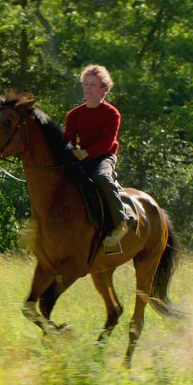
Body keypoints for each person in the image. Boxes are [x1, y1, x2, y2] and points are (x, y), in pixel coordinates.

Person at [64, 64, 130, 250]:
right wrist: (68, 153)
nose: (88, 89)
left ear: (104, 89)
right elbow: (67, 141)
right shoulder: (74, 115)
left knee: (101, 178)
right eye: (85, 84)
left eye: (93, 85)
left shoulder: (112, 114)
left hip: (104, 157)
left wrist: (85, 153)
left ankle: (120, 222)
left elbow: (107, 143)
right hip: (82, 158)